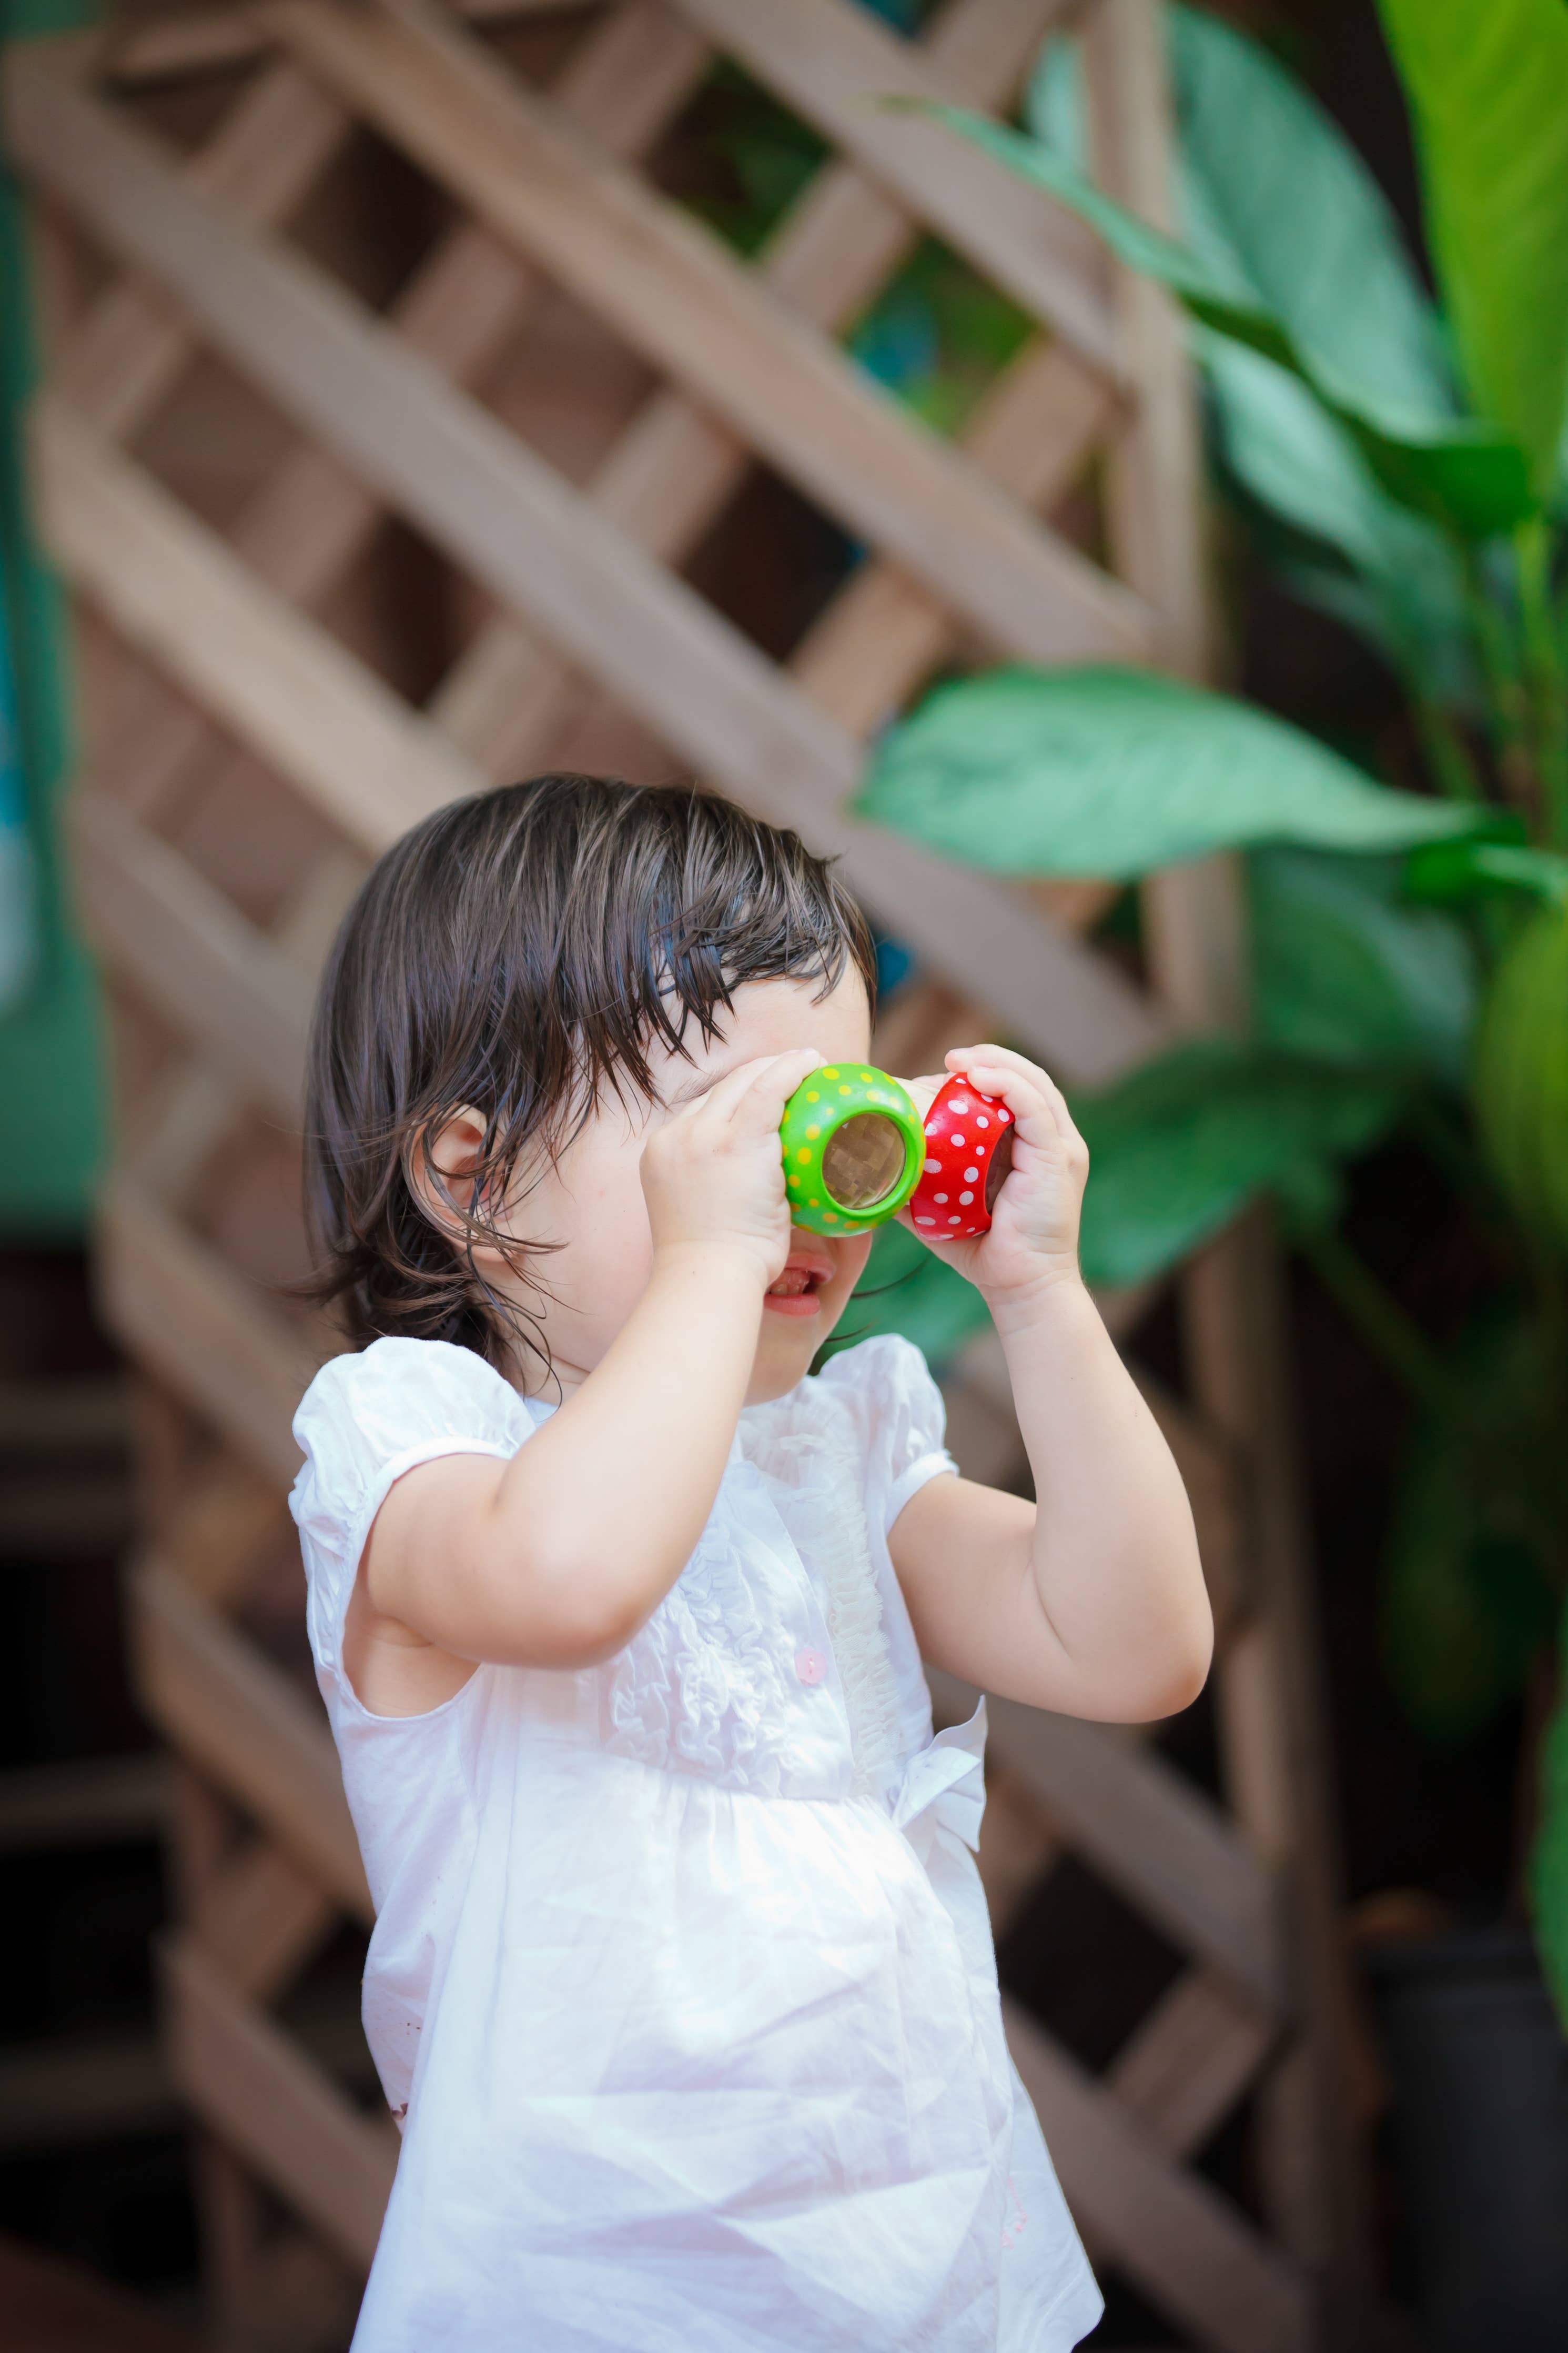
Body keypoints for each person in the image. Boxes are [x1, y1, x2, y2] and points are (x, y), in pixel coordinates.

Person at [291, 772, 1211, 2352]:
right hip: (588, 2294)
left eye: (826, 1115)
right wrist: (715, 1258)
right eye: (732, 1131)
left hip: (927, 2274)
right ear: (470, 1176)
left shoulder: (840, 1451)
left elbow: (1132, 1647)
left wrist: (1041, 1292)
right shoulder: (417, 1447)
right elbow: (573, 1583)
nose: (795, 1186)